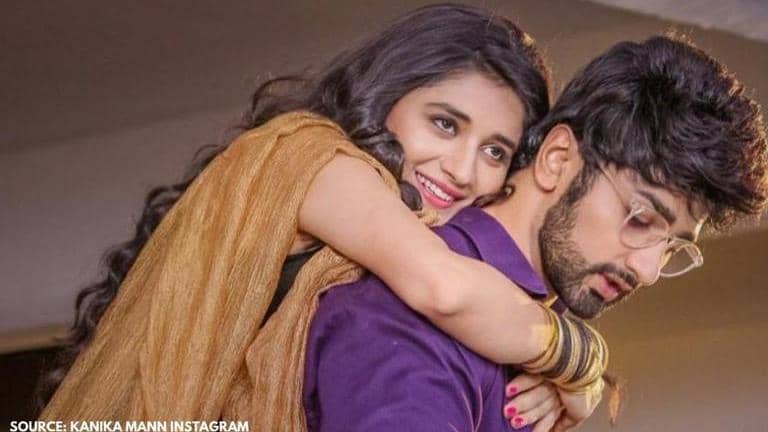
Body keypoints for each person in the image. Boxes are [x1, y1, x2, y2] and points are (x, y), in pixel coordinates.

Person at [39, 4, 597, 425]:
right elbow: (443, 288)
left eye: (495, 152)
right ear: (388, 97)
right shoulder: (315, 159)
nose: (462, 169)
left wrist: (562, 376)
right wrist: (581, 359)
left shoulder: (409, 232)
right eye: (445, 124)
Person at [302, 34, 768, 431]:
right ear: (557, 159)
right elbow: (442, 290)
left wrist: (576, 363)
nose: (647, 271)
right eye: (641, 218)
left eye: (672, 247)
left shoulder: (546, 345)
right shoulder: (405, 316)